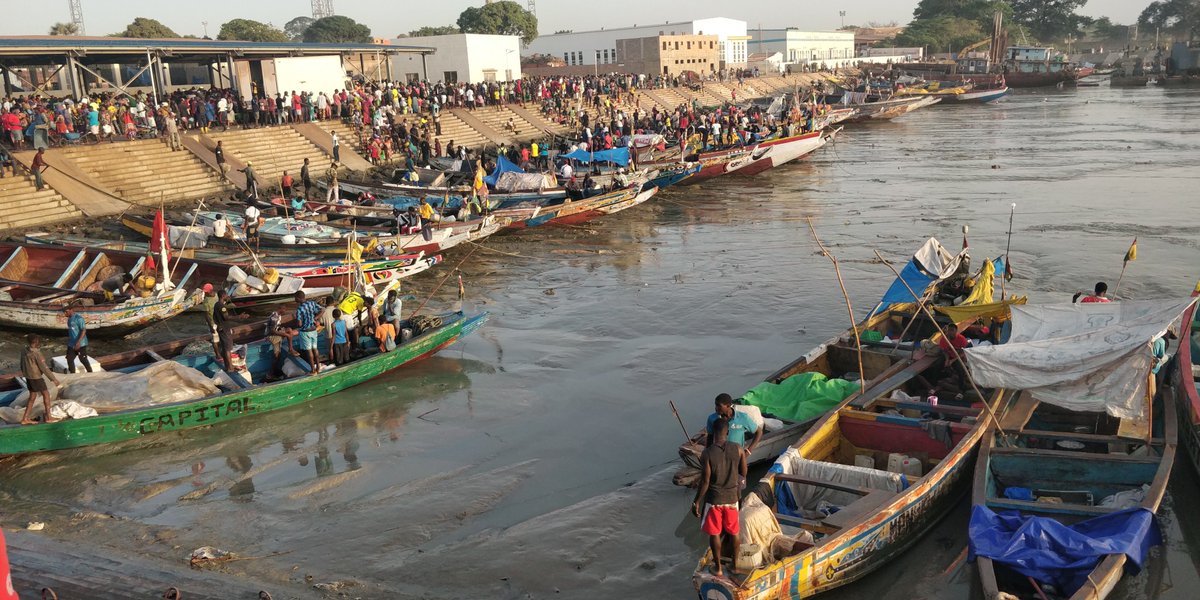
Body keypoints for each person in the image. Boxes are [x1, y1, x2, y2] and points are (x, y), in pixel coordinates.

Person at [692, 417, 745, 578]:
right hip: (732, 498)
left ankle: (718, 568)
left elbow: (706, 481)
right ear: (727, 433)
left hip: (714, 500)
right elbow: (743, 473)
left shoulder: (707, 453)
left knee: (714, 533)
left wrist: (696, 501)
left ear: (712, 433)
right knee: (734, 531)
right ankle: (735, 566)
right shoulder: (738, 449)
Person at [19, 334, 61, 425]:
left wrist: (25, 373)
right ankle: (49, 417)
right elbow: (44, 368)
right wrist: (53, 379)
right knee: (46, 395)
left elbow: (21, 364)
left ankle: (25, 418)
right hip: (36, 377)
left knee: (32, 397)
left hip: (28, 377)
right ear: (37, 342)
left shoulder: (23, 350)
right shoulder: (37, 353)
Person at [293, 291, 324, 374]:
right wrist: (316, 318)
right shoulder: (312, 303)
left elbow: (299, 324)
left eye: (295, 298)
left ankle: (313, 370)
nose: (295, 299)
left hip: (305, 332)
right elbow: (322, 310)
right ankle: (318, 367)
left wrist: (296, 319)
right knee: (315, 349)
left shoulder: (299, 309)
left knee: (309, 351)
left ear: (299, 298)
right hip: (314, 330)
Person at [211, 288, 236, 369]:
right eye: (226, 295)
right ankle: (230, 367)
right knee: (228, 349)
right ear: (223, 296)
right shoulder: (222, 306)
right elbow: (226, 317)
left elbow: (214, 317)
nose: (227, 296)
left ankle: (227, 366)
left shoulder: (216, 304)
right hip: (225, 329)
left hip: (221, 329)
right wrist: (239, 317)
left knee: (225, 348)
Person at [64, 303, 93, 374]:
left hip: (81, 343)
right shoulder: (69, 319)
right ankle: (72, 374)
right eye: (64, 312)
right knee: (69, 359)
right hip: (71, 343)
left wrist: (79, 342)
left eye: (66, 311)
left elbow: (83, 330)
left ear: (71, 310)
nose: (65, 313)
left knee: (82, 359)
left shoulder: (79, 318)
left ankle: (90, 372)